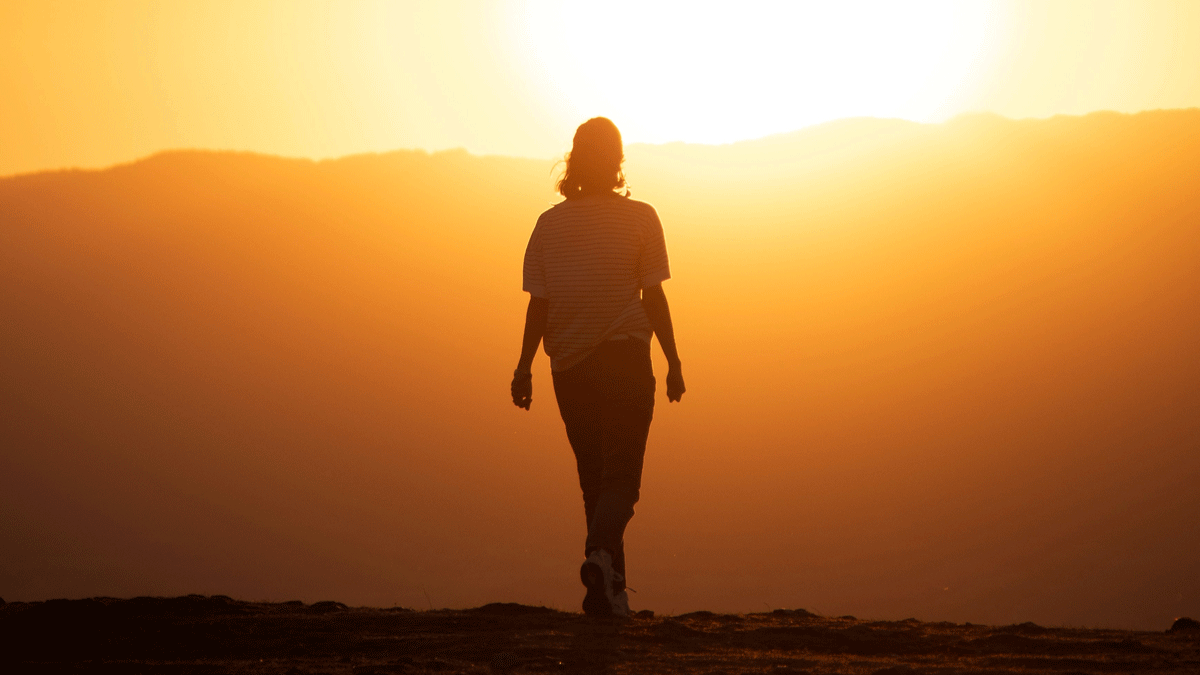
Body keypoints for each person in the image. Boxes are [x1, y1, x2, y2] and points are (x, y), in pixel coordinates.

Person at [511, 117, 685, 618]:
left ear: (573, 160)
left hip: (568, 368)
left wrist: (523, 368)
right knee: (622, 482)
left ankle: (609, 597)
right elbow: (654, 297)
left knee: (595, 480)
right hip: (626, 358)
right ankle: (600, 559)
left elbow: (538, 308)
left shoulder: (548, 225)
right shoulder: (642, 218)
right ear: (618, 160)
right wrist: (673, 361)